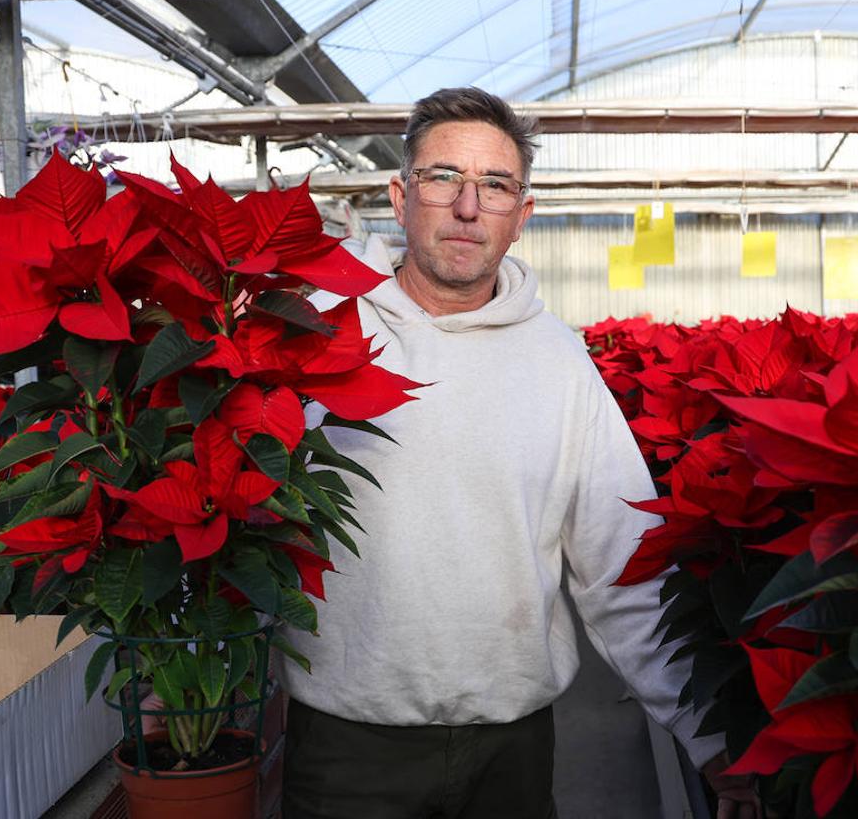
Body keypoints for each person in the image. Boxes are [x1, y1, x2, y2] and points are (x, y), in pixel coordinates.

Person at [280, 87, 760, 819]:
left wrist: (708, 740)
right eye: (443, 177)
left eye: (495, 185)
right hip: (349, 750)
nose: (468, 207)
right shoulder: (318, 336)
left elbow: (622, 568)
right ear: (400, 196)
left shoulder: (558, 362)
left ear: (521, 215)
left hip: (512, 750)